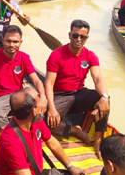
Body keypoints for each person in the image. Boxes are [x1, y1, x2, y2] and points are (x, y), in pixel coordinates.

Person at [45, 20, 110, 158]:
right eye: (75, 36)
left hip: (79, 93)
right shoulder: (56, 55)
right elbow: (49, 84)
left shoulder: (90, 56)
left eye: (83, 37)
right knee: (44, 121)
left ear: (87, 38)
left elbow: (98, 78)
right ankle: (73, 130)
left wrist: (104, 97)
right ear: (69, 35)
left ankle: (98, 140)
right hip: (61, 95)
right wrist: (51, 107)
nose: (78, 39)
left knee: (104, 100)